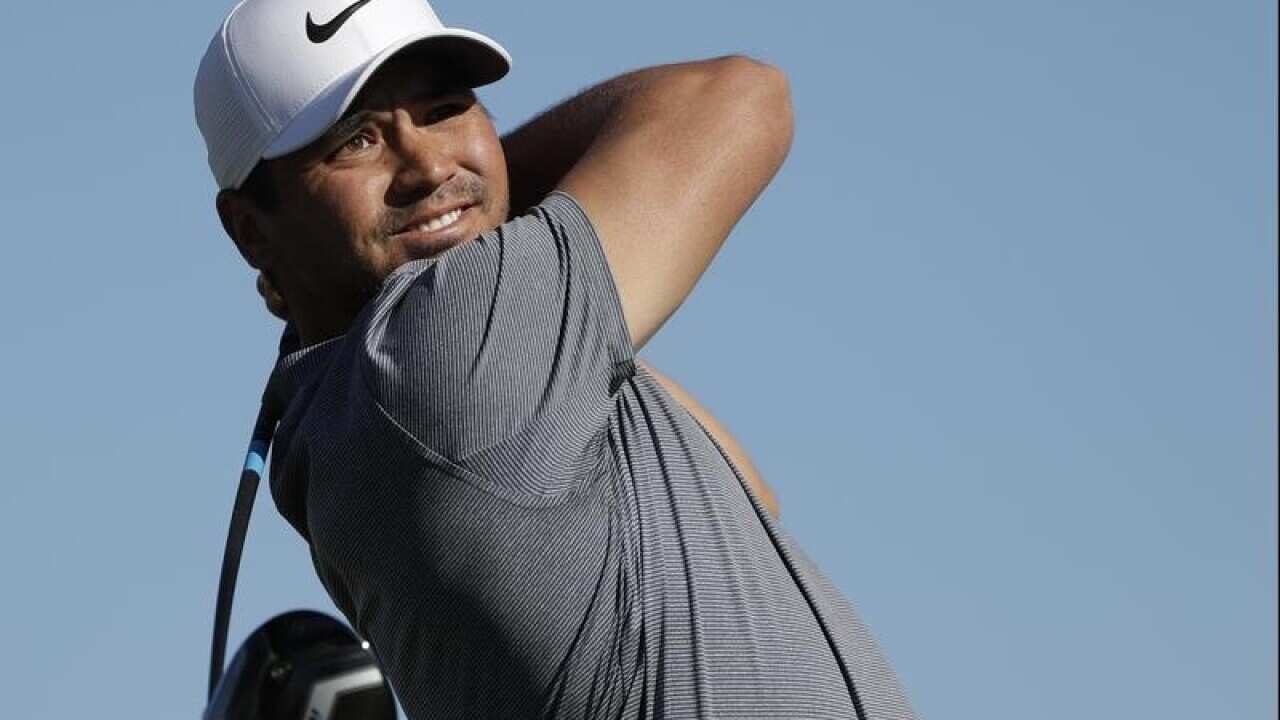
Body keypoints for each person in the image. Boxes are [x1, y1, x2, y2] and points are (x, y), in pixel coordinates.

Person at [195, 0, 917, 717]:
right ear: (252, 231)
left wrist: (483, 211)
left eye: (446, 109)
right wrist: (486, 199)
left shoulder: (375, 401)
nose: (428, 163)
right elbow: (745, 98)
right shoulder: (434, 355)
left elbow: (746, 496)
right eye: (356, 141)